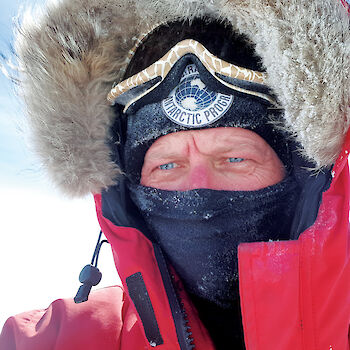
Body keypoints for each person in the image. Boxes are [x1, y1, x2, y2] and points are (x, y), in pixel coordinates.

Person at [1, 0, 350, 349]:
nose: (199, 191)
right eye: (167, 165)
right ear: (127, 188)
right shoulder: (62, 339)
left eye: (234, 158)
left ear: (303, 176)